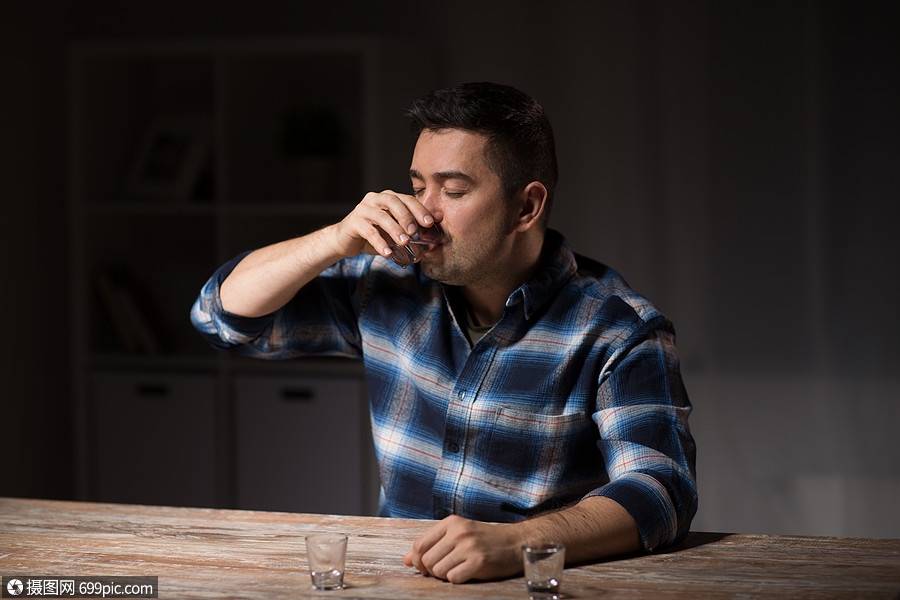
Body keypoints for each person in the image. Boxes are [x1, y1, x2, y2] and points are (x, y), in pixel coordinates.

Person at [191, 81, 697, 583]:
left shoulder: (618, 328)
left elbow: (661, 489)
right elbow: (222, 318)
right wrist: (333, 239)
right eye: (417, 187)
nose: (424, 214)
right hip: (400, 582)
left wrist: (516, 542)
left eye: (453, 191)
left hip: (533, 588)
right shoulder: (384, 285)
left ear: (527, 207)